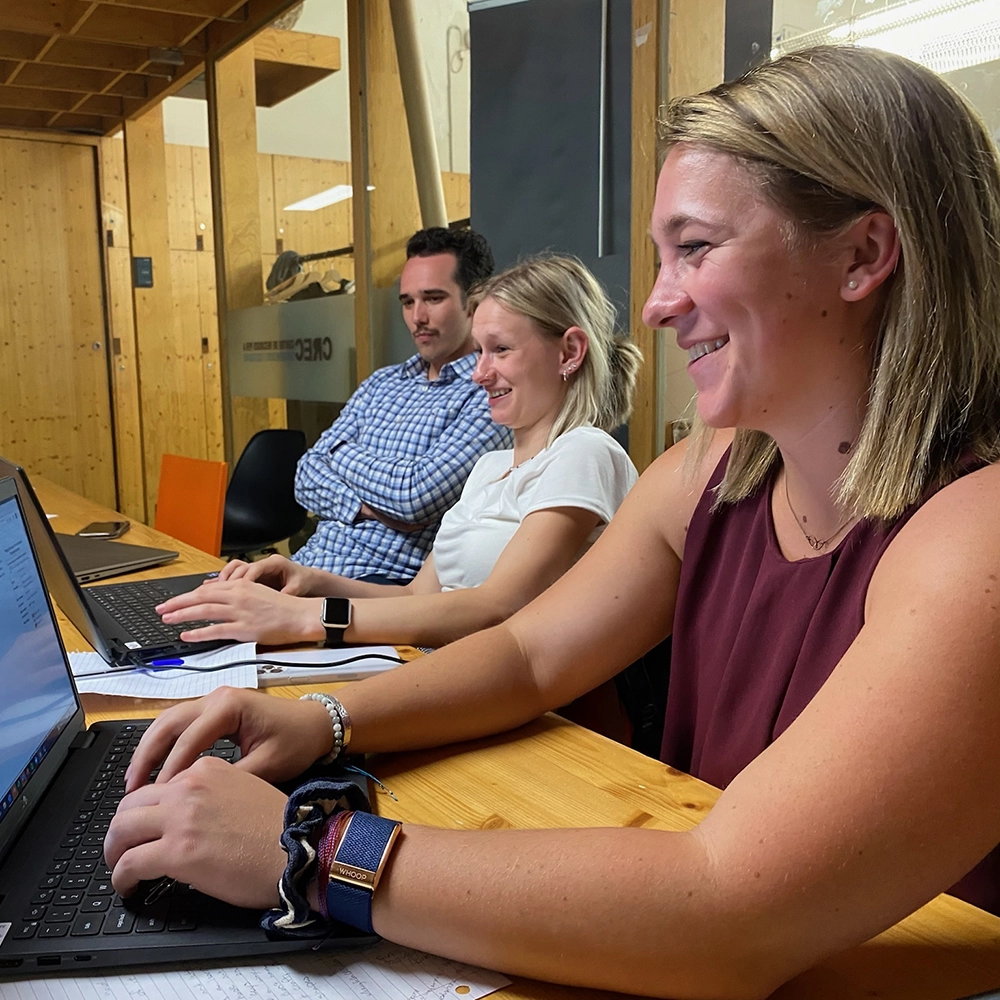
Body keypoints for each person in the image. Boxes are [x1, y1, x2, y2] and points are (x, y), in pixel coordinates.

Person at [106, 46, 1000, 998]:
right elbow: (531, 654)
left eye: (696, 248)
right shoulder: (714, 469)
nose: (657, 305)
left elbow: (730, 908)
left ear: (864, 254)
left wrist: (314, 851)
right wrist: (324, 718)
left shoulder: (974, 534)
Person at [155, 256, 641, 649]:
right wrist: (311, 581)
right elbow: (414, 594)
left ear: (569, 352)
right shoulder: (492, 467)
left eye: (501, 351)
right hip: (439, 665)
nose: (479, 373)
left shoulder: (584, 452)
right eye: (479, 351)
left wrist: (308, 618)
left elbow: (496, 607)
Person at [292, 226, 512, 583]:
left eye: (433, 298)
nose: (417, 317)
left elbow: (414, 497)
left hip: (382, 585)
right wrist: (363, 507)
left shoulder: (490, 390)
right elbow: (305, 474)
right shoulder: (382, 383)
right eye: (408, 302)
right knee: (194, 612)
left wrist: (338, 452)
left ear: (474, 303)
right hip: (308, 562)